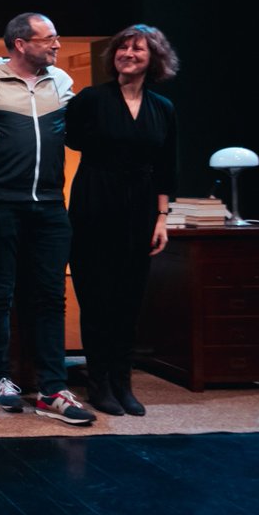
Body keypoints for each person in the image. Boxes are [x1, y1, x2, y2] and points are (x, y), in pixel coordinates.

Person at [0, 12, 96, 426]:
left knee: (51, 296)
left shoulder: (62, 84)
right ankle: (0, 378)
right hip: (2, 203)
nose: (57, 45)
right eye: (49, 38)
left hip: (52, 205)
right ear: (21, 43)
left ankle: (53, 387)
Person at [66, 24, 179, 417]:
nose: (128, 54)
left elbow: (167, 165)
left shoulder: (162, 107)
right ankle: (99, 384)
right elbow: (72, 141)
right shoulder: (92, 99)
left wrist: (162, 217)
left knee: (129, 300)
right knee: (97, 297)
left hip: (141, 207)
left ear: (154, 59)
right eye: (123, 48)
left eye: (138, 50)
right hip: (96, 201)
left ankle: (122, 382)